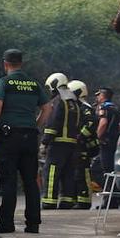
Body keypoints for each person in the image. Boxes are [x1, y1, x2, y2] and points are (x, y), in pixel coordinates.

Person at [0, 49, 53, 234]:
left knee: (8, 180)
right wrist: (35, 125)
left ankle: (6, 223)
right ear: (21, 63)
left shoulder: (3, 82)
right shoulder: (33, 84)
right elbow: (47, 107)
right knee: (30, 181)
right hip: (29, 136)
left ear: (5, 63)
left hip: (9, 137)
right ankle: (33, 224)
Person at [40, 76, 83, 211]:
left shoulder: (58, 101)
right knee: (67, 173)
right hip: (71, 144)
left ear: (55, 84)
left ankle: (49, 201)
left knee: (51, 171)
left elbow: (53, 122)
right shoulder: (73, 102)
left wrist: (45, 141)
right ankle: (66, 201)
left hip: (57, 143)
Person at [95, 87, 120, 208]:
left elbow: (103, 123)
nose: (97, 97)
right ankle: (116, 200)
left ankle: (109, 203)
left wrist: (97, 137)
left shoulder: (103, 108)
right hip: (115, 143)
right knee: (115, 172)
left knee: (106, 173)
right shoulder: (115, 108)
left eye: (98, 95)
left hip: (106, 143)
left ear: (103, 96)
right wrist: (118, 133)